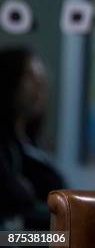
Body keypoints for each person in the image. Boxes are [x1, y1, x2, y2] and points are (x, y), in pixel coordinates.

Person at [0, 47, 66, 231]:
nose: (40, 85)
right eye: (30, 76)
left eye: (41, 78)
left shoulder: (33, 144)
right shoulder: (6, 150)